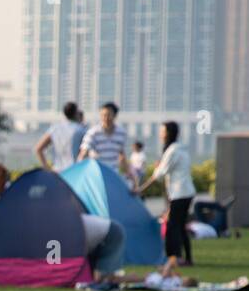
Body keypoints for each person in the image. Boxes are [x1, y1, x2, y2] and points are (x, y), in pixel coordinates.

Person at [138, 121, 195, 275]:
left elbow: (159, 174)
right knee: (180, 226)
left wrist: (140, 189)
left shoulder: (172, 151)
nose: (160, 134)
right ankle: (186, 258)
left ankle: (173, 258)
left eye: (162, 131)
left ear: (168, 133)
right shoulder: (180, 149)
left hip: (180, 193)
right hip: (185, 192)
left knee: (172, 227)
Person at [35, 101, 87, 172]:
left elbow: (38, 149)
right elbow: (87, 151)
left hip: (57, 171)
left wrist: (47, 168)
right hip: (74, 171)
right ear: (75, 113)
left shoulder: (54, 129)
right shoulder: (81, 130)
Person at [78, 101, 127, 171]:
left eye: (108, 115)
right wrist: (79, 168)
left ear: (115, 116)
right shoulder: (93, 132)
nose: (106, 118)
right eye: (103, 115)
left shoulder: (121, 133)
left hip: (113, 172)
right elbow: (84, 152)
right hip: (97, 172)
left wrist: (130, 173)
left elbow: (121, 154)